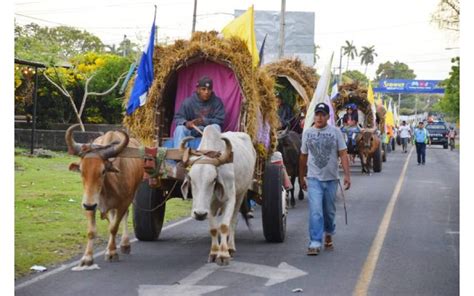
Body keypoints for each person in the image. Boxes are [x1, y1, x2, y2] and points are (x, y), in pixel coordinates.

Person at [299, 102, 351, 256]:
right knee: (316, 211)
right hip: (314, 178)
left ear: (328, 117)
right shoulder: (307, 133)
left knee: (328, 211)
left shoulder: (335, 132)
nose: (319, 117)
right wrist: (301, 176)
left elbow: (343, 153)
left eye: (322, 114)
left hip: (331, 179)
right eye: (317, 114)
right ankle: (315, 241)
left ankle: (329, 232)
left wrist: (347, 175)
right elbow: (303, 156)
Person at [173, 76, 226, 148]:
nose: (206, 92)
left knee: (216, 127)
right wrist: (187, 123)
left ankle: (212, 152)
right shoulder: (188, 102)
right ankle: (180, 154)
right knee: (180, 129)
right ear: (198, 90)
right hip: (192, 131)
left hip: (207, 132)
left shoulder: (217, 102)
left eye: (209, 89)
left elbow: (220, 120)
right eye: (203, 89)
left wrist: (205, 121)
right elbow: (178, 117)